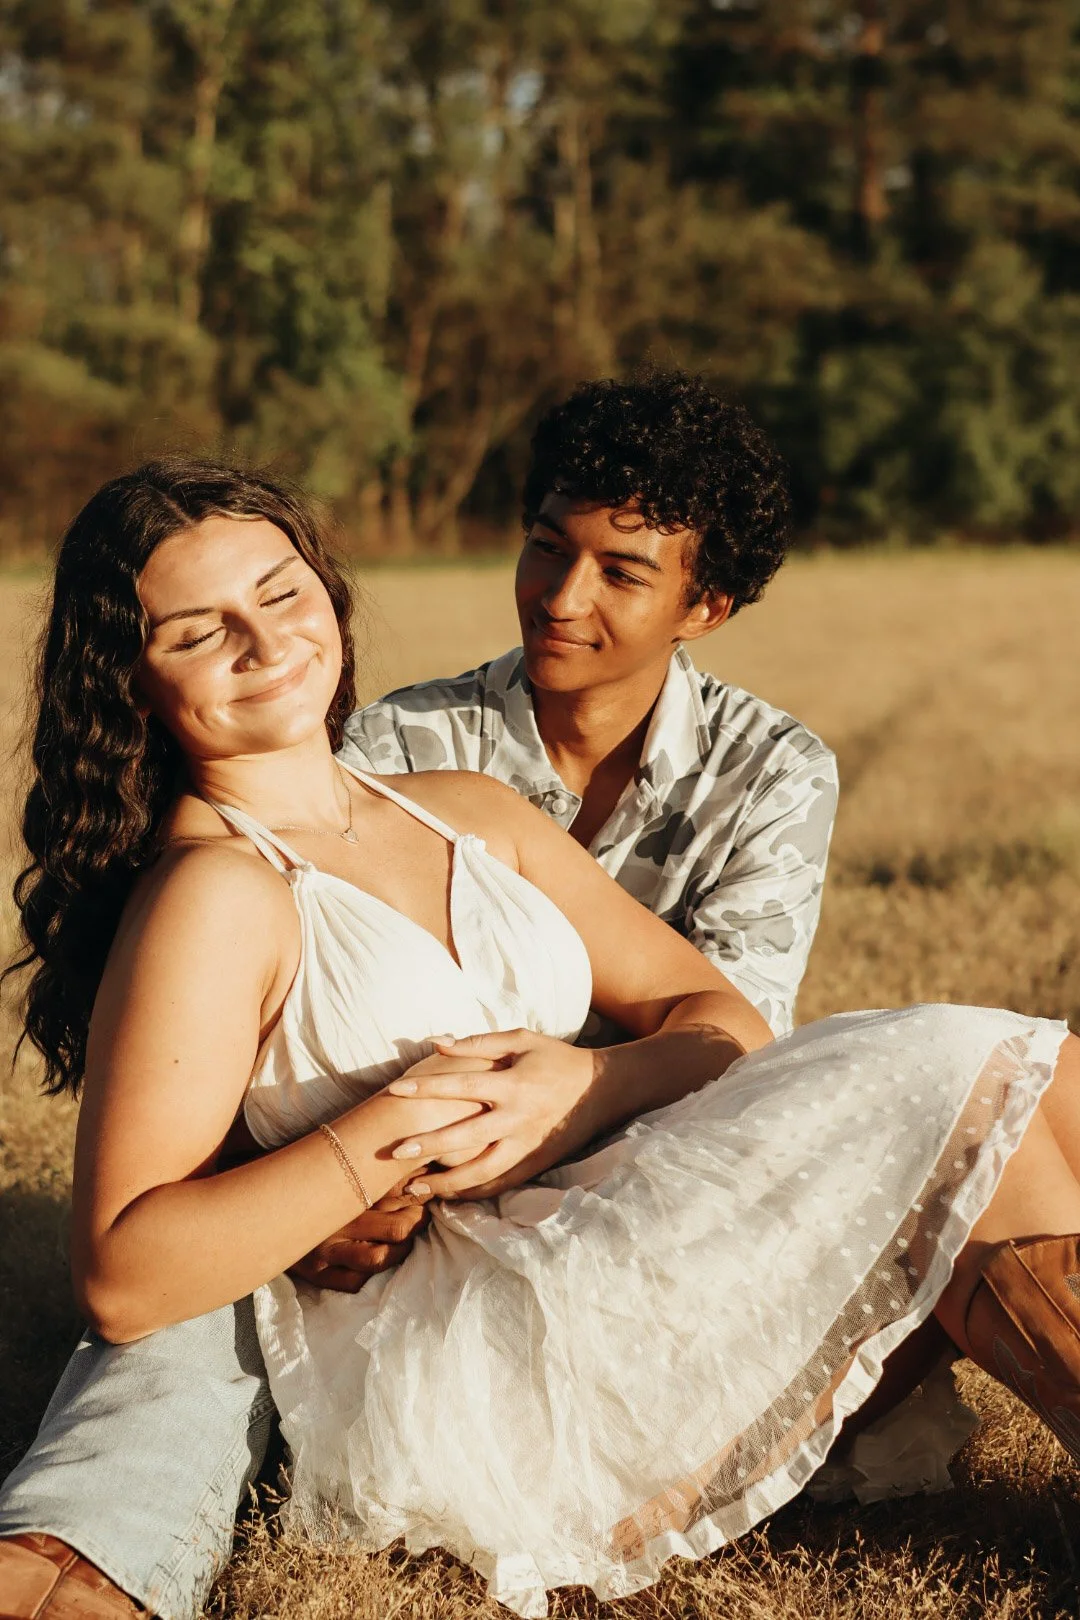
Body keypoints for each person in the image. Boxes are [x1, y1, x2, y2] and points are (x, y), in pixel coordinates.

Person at [2, 457, 1080, 1620]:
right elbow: (122, 1275)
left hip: (597, 1235)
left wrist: (583, 1082)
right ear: (133, 677)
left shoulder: (463, 809)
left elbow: (718, 1021)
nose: (267, 645)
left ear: (327, 588)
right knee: (961, 1067)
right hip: (465, 1347)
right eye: (200, 633)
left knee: (1034, 1077)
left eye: (280, 593)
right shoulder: (216, 892)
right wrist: (391, 1136)